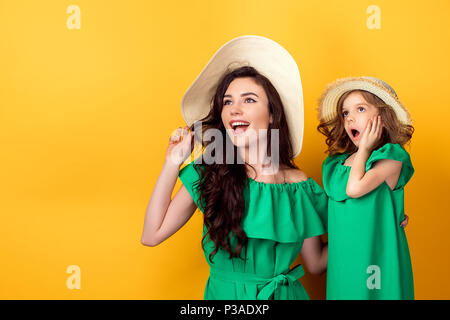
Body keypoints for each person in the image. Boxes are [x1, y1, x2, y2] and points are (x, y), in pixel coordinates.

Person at [142, 35, 328, 300]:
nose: (234, 110)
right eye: (227, 102)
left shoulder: (299, 186)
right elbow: (152, 234)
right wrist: (172, 162)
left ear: (273, 114)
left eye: (249, 100)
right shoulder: (209, 171)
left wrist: (376, 217)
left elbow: (317, 263)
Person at [317, 76, 414, 299]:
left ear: (383, 116)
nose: (350, 119)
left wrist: (363, 150)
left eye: (360, 109)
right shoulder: (335, 165)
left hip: (377, 263)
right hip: (345, 264)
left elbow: (354, 188)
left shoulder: (391, 158)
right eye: (345, 113)